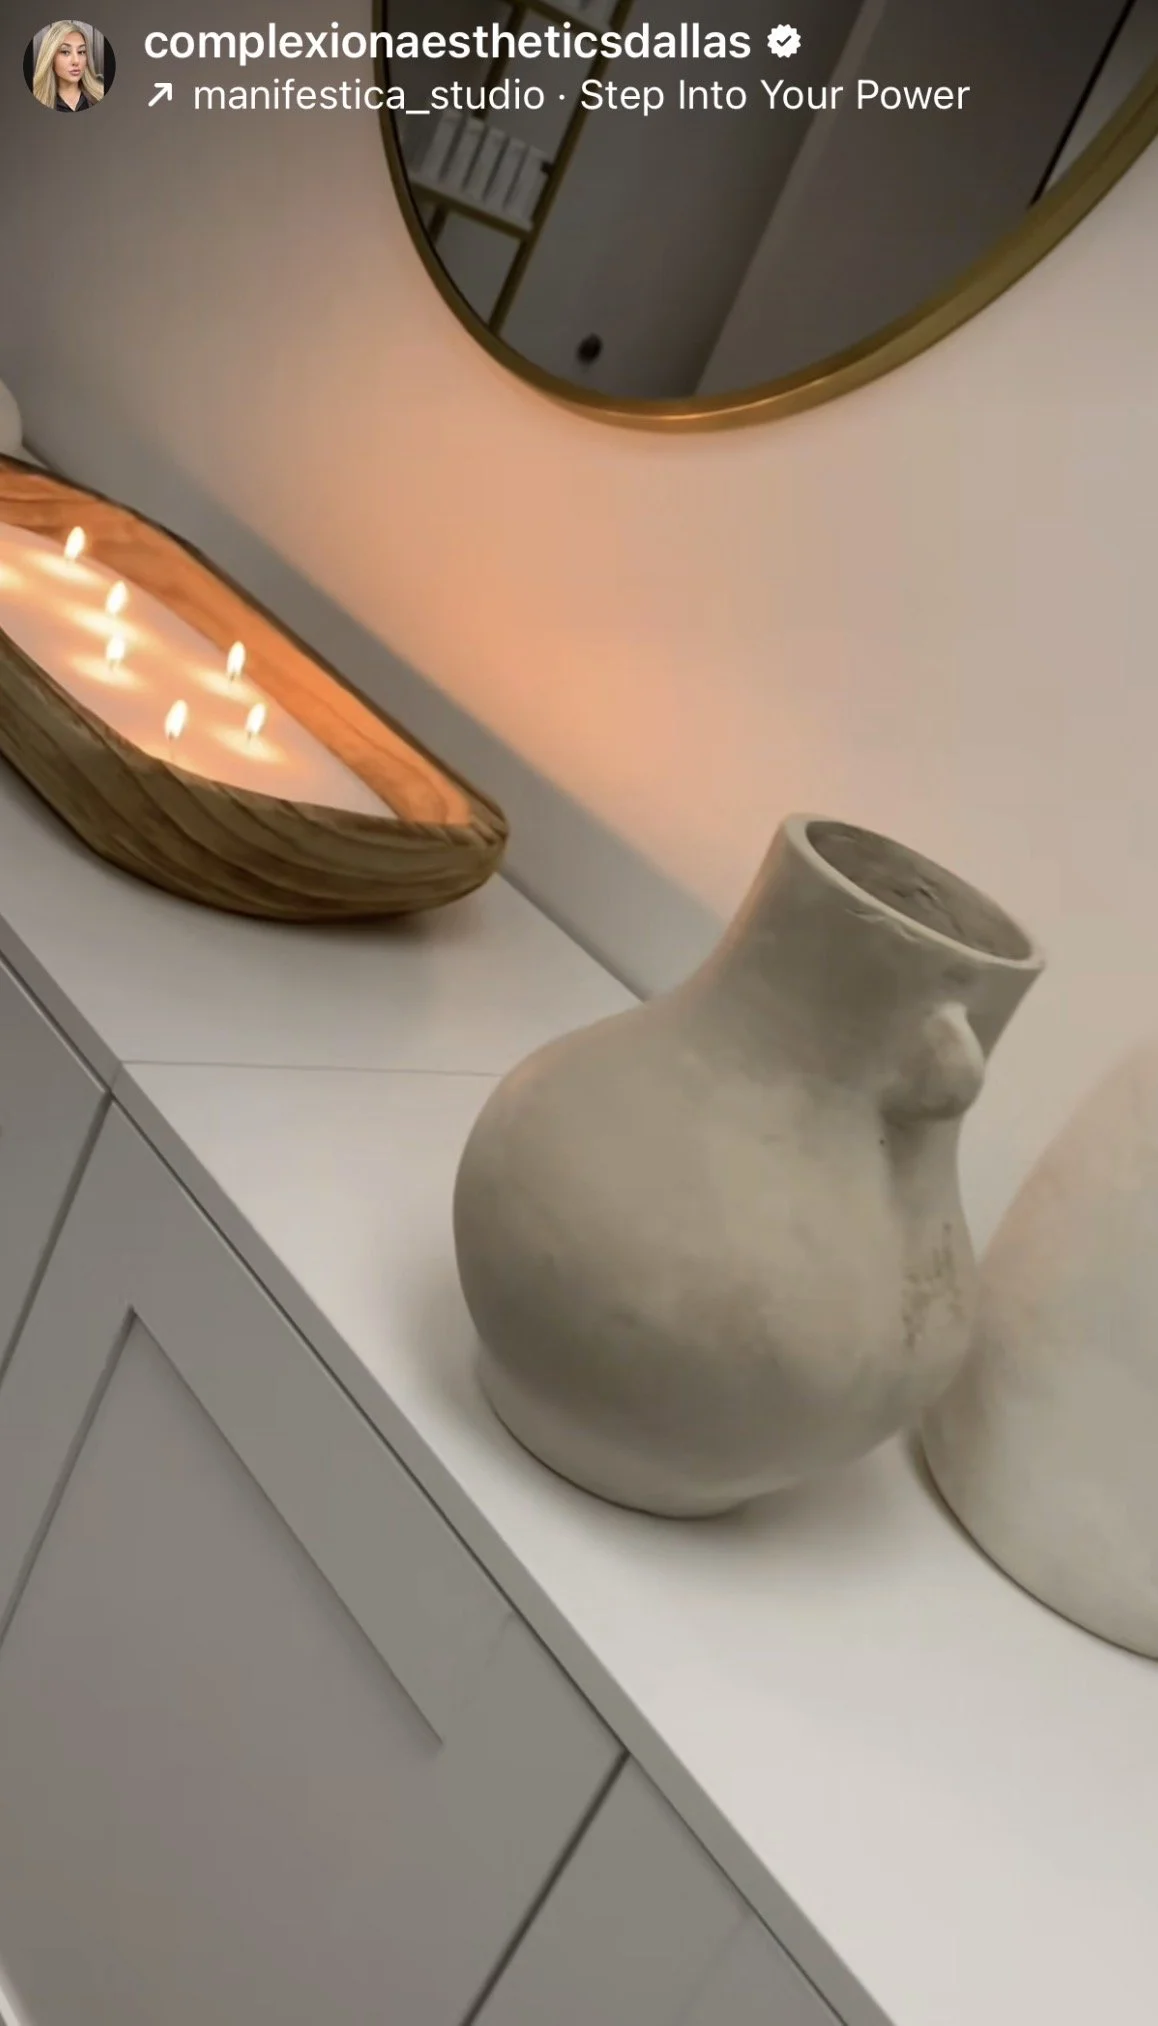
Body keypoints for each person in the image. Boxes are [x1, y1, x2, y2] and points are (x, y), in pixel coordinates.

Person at [32, 21, 105, 111]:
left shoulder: (102, 93)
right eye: (65, 52)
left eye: (81, 52)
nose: (76, 61)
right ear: (50, 57)